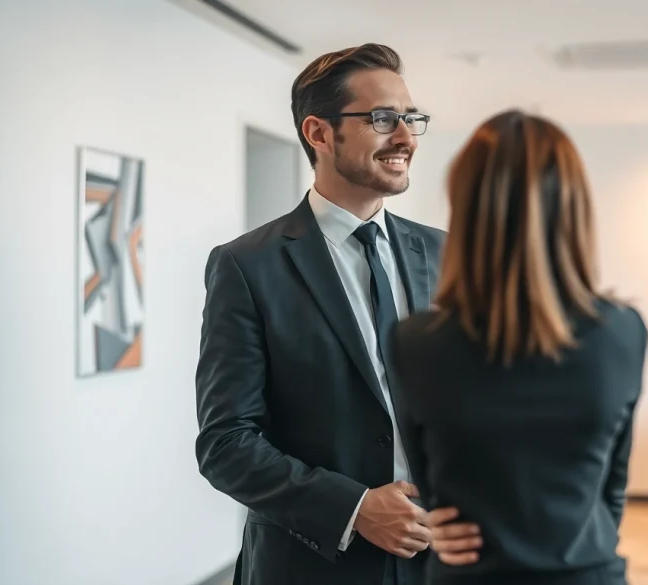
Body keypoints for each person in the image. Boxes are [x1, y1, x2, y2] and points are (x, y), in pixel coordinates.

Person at [195, 43, 459, 585]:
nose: (406, 138)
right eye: (384, 119)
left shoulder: (445, 254)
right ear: (319, 133)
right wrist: (355, 508)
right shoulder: (247, 266)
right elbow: (226, 442)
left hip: (441, 563)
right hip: (311, 565)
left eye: (411, 119)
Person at [387, 110, 648, 585]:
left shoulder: (415, 343)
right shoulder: (624, 332)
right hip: (588, 573)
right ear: (574, 208)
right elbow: (612, 487)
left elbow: (436, 490)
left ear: (465, 210)